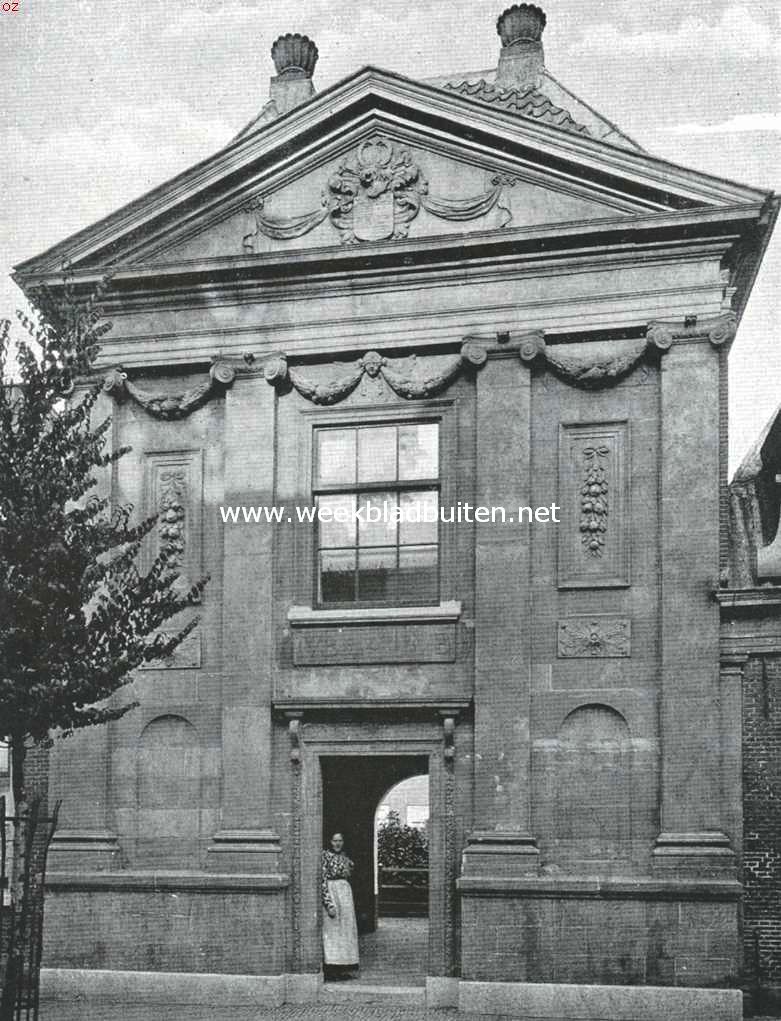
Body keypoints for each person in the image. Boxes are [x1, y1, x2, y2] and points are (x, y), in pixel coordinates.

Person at [321, 832, 359, 979]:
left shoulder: (345, 858)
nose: (337, 843)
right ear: (330, 842)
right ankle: (331, 969)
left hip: (345, 894)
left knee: (345, 931)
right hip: (332, 891)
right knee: (332, 931)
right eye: (334, 840)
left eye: (340, 840)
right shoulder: (325, 856)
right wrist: (328, 902)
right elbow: (323, 880)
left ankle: (342, 968)